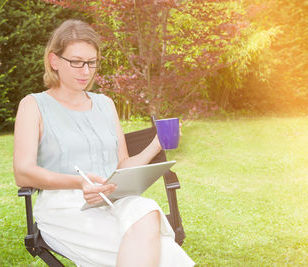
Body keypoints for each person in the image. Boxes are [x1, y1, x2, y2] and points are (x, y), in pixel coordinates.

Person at [13, 19, 195, 267]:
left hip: (114, 199)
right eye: (76, 62)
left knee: (147, 210)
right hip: (66, 208)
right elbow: (23, 173)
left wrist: (157, 145)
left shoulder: (105, 104)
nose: (85, 71)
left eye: (91, 63)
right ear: (54, 61)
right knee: (160, 254)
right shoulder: (33, 105)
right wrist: (80, 183)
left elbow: (122, 163)